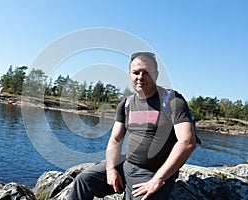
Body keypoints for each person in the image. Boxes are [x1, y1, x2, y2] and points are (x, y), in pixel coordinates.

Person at [68, 52, 197, 200]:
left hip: (152, 173)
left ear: (156, 74)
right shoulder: (126, 104)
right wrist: (110, 169)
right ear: (130, 74)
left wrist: (158, 179)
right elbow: (115, 139)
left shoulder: (173, 101)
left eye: (146, 72)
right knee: (83, 180)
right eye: (136, 72)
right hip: (125, 165)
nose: (140, 77)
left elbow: (187, 142)